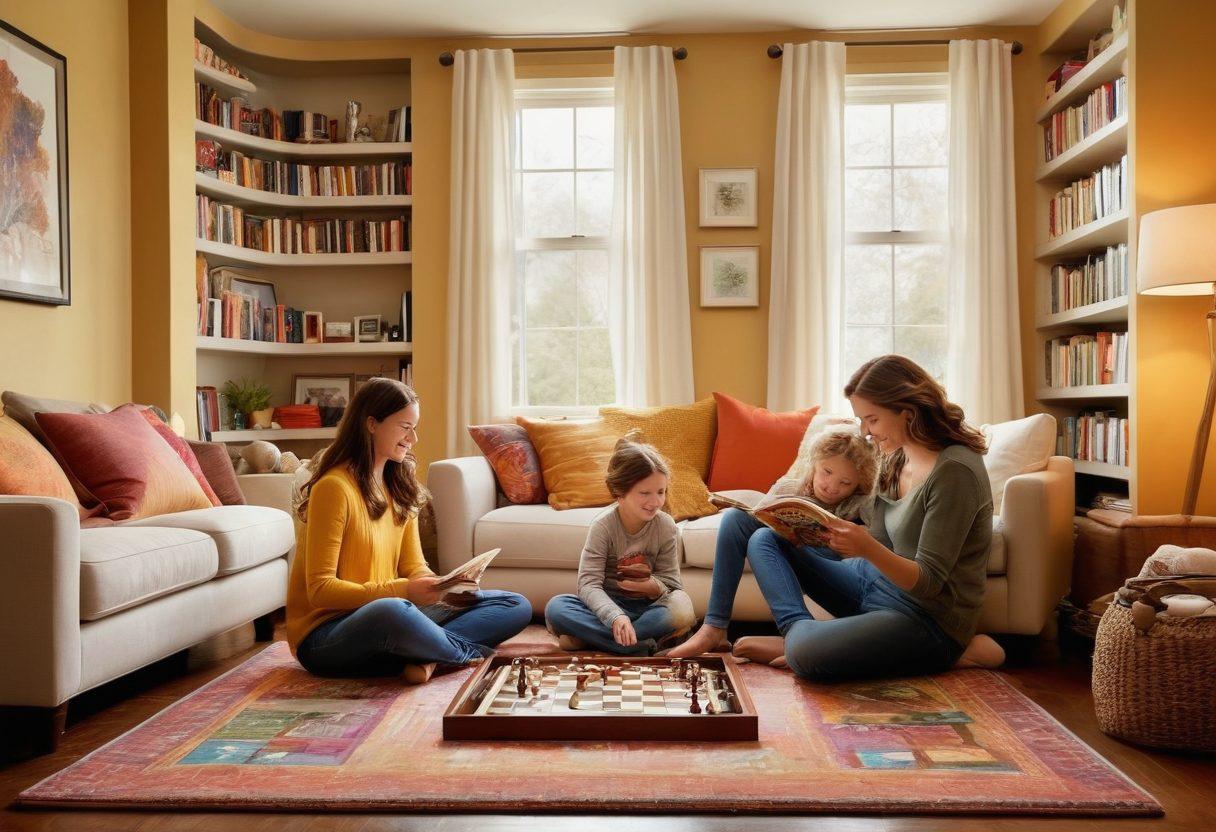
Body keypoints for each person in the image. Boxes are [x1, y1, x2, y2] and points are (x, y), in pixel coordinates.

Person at [734, 355, 1003, 680]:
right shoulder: (896, 456)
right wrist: (825, 535)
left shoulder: (955, 471)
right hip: (873, 585)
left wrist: (865, 547)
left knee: (807, 654)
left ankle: (803, 646)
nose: (865, 431)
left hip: (926, 617)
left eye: (872, 420)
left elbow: (929, 583)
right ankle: (796, 633)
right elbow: (880, 540)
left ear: (907, 413)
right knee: (766, 538)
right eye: (861, 420)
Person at [286, 378, 532, 683]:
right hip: (327, 635)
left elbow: (413, 567)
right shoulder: (334, 488)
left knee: (514, 604)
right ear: (371, 424)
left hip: (391, 619)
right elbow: (320, 590)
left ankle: (427, 657)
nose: (412, 438)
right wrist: (404, 591)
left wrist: (442, 587)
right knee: (392, 612)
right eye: (405, 427)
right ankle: (457, 655)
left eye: (414, 428)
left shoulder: (399, 487)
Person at [667, 429, 878, 660]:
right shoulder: (788, 488)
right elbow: (763, 516)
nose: (831, 486)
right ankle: (715, 627)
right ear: (815, 463)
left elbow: (875, 546)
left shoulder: (860, 504)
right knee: (736, 519)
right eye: (826, 472)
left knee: (763, 537)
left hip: (829, 566)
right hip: (789, 553)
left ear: (858, 484)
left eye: (845, 483)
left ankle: (799, 636)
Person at [544, 436, 696, 655]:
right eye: (645, 493)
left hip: (649, 610)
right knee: (556, 608)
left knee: (682, 608)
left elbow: (672, 585)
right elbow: (588, 584)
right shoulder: (603, 526)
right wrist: (615, 616)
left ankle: (597, 639)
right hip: (607, 607)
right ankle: (641, 645)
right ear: (620, 493)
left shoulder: (665, 526)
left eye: (661, 492)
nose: (655, 502)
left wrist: (652, 587)